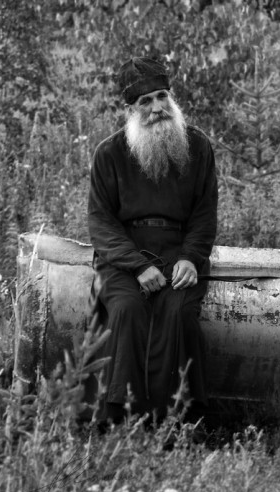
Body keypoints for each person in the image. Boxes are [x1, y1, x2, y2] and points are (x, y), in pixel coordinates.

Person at [87, 57, 218, 428]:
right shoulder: (108, 154)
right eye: (145, 101)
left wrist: (191, 258)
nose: (157, 107)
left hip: (179, 253)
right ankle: (120, 418)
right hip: (123, 258)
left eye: (161, 96)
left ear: (170, 97)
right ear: (130, 109)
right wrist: (138, 265)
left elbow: (205, 214)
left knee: (178, 314)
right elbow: (100, 221)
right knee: (126, 310)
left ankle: (175, 420)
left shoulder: (198, 146)